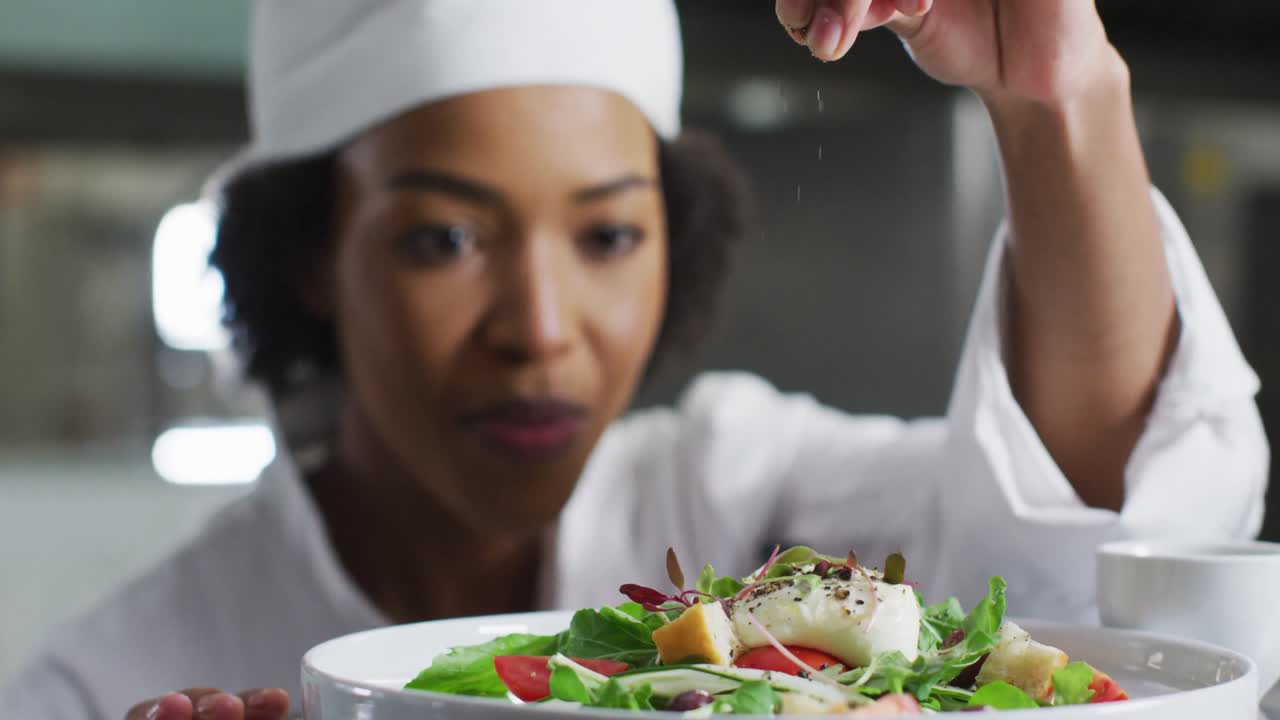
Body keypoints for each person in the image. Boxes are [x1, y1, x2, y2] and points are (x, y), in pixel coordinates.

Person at [4, 0, 1267, 718]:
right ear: (309, 257)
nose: (541, 326)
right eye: (445, 238)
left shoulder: (736, 487)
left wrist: (1055, 98)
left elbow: (1096, 543)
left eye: (607, 234)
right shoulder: (105, 679)